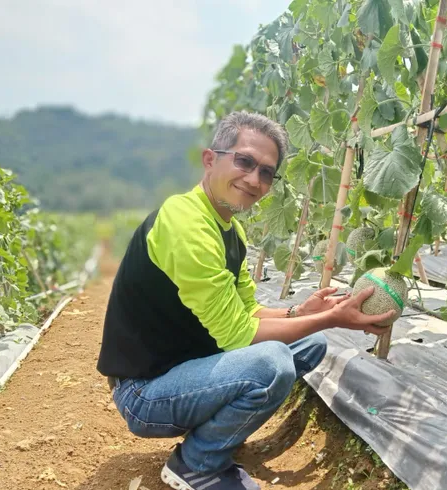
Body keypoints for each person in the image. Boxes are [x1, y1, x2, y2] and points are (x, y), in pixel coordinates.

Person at [96, 111, 394, 490]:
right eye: (244, 162)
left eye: (266, 172)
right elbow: (238, 334)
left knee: (309, 344)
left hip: (185, 368)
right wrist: (333, 317)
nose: (254, 179)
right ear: (210, 159)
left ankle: (216, 433)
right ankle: (196, 464)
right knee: (272, 364)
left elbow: (248, 310)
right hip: (145, 391)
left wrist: (300, 312)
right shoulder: (185, 222)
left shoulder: (230, 230)